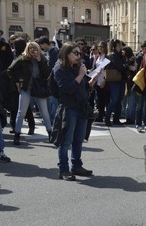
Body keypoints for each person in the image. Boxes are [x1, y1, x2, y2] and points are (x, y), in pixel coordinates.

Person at [53, 41, 92, 181]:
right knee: (66, 140)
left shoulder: (76, 67)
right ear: (66, 53)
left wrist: (93, 79)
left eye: (80, 53)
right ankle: (63, 169)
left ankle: (77, 165)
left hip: (81, 107)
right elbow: (67, 89)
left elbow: (83, 87)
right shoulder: (59, 69)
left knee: (78, 139)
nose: (79, 56)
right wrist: (81, 75)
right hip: (69, 108)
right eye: (75, 53)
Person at [7, 41, 53, 145]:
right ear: (27, 49)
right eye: (31, 48)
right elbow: (10, 70)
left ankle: (50, 133)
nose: (33, 50)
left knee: (44, 112)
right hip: (26, 88)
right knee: (21, 112)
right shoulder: (22, 58)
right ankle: (17, 135)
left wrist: (40, 61)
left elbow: (47, 74)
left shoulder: (42, 58)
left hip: (39, 89)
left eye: (35, 48)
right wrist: (17, 82)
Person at [104, 39, 127, 126]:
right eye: (121, 44)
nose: (122, 46)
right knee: (114, 100)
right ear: (117, 45)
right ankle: (107, 118)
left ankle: (116, 118)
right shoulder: (113, 55)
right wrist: (125, 66)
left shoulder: (119, 55)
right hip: (115, 80)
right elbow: (119, 67)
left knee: (119, 100)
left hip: (120, 79)